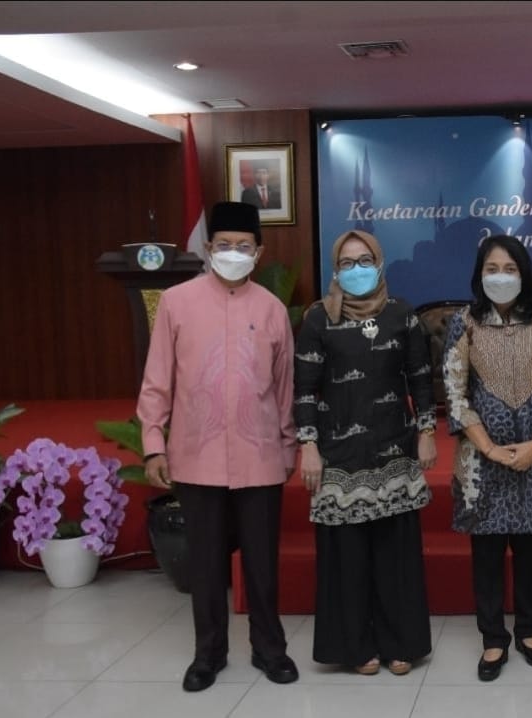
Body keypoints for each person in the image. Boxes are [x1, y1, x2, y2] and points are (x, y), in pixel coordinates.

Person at [137, 201, 299, 692]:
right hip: (197, 456)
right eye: (224, 245)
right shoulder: (176, 303)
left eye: (243, 246)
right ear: (208, 249)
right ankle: (208, 654)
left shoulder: (271, 309)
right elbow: (157, 379)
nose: (233, 253)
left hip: (259, 456)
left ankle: (270, 649)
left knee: (261, 563)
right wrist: (153, 443)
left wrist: (288, 447)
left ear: (259, 252)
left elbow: (285, 387)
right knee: (205, 563)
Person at [295, 229, 435, 677]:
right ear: (336, 270)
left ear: (380, 264)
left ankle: (401, 643)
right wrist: (308, 446)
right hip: (339, 453)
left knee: (395, 557)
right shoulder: (319, 319)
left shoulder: (402, 315)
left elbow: (421, 378)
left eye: (365, 261)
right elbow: (304, 389)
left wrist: (427, 431)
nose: (357, 270)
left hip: (395, 447)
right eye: (347, 263)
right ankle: (355, 647)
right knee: (348, 559)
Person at [442, 234, 532, 682]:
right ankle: (493, 637)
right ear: (479, 275)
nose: (501, 277)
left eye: (510, 269)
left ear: (525, 273)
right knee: (487, 553)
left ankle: (528, 631)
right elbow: (455, 393)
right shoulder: (465, 322)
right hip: (483, 461)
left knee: (531, 549)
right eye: (492, 269)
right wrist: (490, 448)